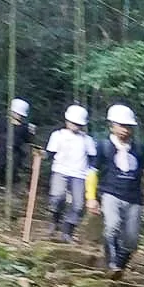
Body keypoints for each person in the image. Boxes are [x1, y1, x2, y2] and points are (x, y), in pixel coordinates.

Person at [87, 103, 144, 278]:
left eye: (128, 126)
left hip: (134, 197)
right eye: (121, 125)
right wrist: (91, 197)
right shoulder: (103, 146)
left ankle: (119, 266)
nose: (125, 130)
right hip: (110, 193)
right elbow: (93, 172)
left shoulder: (139, 148)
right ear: (112, 125)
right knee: (112, 225)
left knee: (132, 239)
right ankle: (112, 264)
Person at [43, 104, 97, 242]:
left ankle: (67, 232)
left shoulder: (87, 140)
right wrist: (41, 155)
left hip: (79, 174)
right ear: (67, 121)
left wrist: (92, 173)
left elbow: (93, 158)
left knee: (78, 205)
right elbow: (50, 153)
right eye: (73, 122)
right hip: (60, 170)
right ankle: (54, 221)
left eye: (78, 124)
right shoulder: (57, 135)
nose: (75, 125)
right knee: (57, 197)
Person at [0, 98, 36, 187]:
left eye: (20, 114)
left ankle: (8, 182)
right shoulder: (2, 122)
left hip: (15, 152)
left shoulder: (24, 128)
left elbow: (28, 141)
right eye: (16, 113)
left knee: (12, 165)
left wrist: (32, 133)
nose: (18, 116)